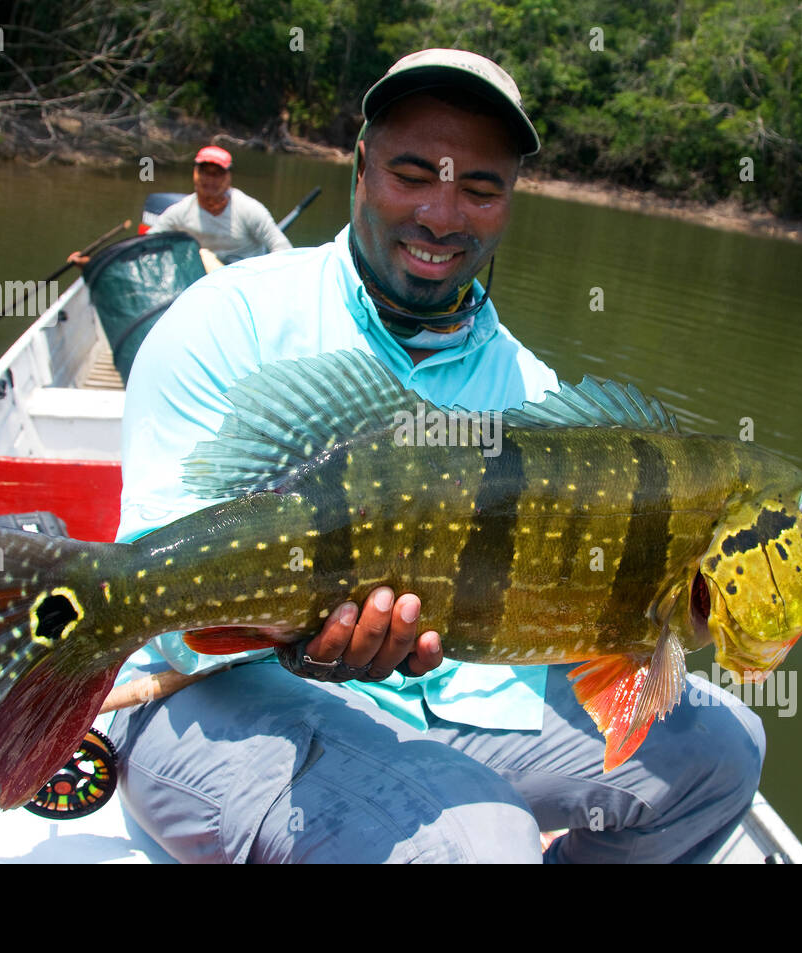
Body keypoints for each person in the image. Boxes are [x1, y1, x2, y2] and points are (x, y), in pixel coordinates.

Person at [108, 49, 766, 863]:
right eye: (413, 174)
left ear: (510, 203)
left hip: (454, 703)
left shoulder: (530, 392)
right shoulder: (228, 319)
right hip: (209, 694)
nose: (443, 214)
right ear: (358, 167)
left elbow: (692, 564)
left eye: (480, 188)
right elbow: (166, 608)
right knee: (481, 840)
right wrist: (294, 634)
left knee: (724, 749)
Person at [66, 145, 291, 267]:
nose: (210, 180)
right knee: (197, 256)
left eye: (218, 173)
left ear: (229, 177)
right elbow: (143, 246)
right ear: (194, 174)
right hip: (201, 282)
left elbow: (282, 248)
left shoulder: (249, 209)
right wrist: (93, 262)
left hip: (243, 281)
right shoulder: (180, 212)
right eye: (204, 172)